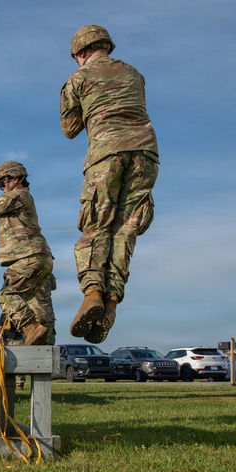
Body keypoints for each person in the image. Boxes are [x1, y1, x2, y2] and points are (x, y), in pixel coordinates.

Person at [60, 24, 159, 344]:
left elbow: (70, 128)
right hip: (145, 155)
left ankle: (92, 294)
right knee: (125, 230)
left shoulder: (78, 78)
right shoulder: (134, 74)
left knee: (97, 225)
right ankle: (112, 301)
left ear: (81, 52)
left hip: (106, 154)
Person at [0, 161, 55, 346]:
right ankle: (41, 338)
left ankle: (31, 329)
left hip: (30, 256)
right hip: (37, 256)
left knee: (7, 296)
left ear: (15, 179)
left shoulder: (19, 194)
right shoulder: (16, 200)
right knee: (35, 305)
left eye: (3, 183)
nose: (2, 187)